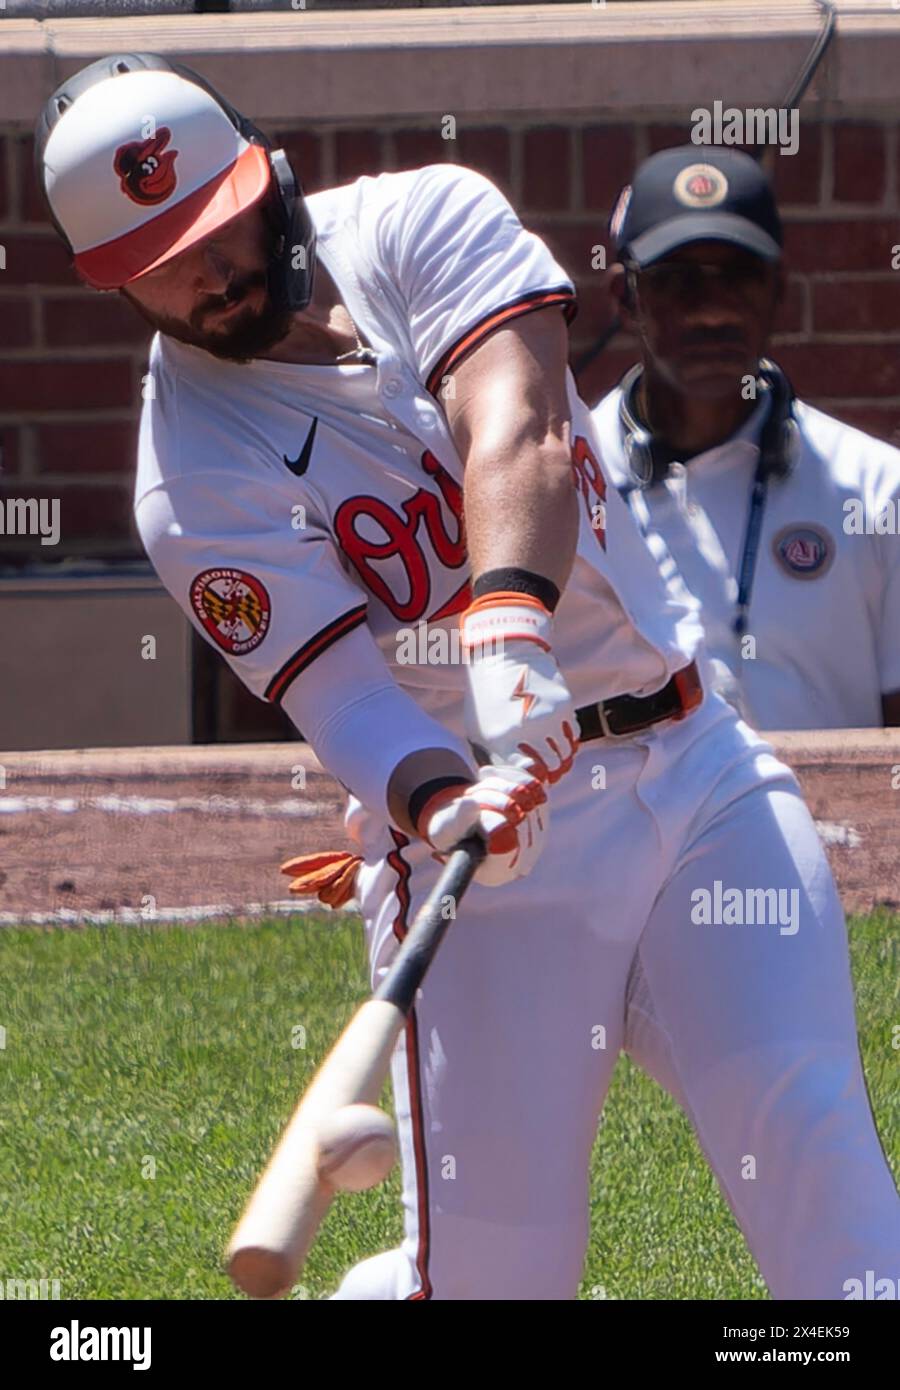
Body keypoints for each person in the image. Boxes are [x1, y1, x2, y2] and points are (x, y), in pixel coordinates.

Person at [37, 53, 900, 1300]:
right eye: (163, 262)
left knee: (822, 1165)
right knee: (504, 1282)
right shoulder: (189, 478)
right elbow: (337, 693)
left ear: (265, 165)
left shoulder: (420, 216)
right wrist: (439, 800)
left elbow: (522, 421)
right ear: (114, 284)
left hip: (697, 775)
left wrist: (505, 637)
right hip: (496, 862)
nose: (211, 272)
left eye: (220, 223)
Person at [592, 145, 900, 730]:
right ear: (625, 297)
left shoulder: (879, 490)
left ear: (778, 290)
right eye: (679, 281)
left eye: (738, 278)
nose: (712, 312)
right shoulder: (564, 486)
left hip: (833, 824)